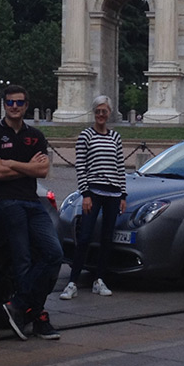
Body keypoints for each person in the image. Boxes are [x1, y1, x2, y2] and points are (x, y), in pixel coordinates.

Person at [0, 84, 62, 340]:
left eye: (19, 102)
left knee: (54, 254)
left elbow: (42, 171)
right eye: (10, 103)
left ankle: (19, 303)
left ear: (26, 105)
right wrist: (28, 166)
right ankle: (37, 315)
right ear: (4, 105)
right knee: (23, 259)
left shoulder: (35, 135)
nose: (14, 107)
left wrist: (14, 164)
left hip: (31, 201)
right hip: (6, 202)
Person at [62, 95, 126, 299]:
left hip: (114, 193)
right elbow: (81, 167)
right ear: (94, 112)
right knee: (85, 236)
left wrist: (123, 194)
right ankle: (72, 282)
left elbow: (120, 167)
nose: (101, 114)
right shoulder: (85, 136)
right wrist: (85, 194)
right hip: (94, 192)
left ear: (109, 113)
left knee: (107, 238)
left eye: (104, 111)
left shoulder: (115, 137)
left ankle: (100, 279)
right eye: (98, 111)